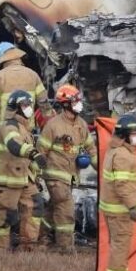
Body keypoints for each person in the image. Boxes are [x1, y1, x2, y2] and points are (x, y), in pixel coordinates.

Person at [37, 84, 98, 252]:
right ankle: (65, 247)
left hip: (71, 176)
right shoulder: (53, 125)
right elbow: (40, 151)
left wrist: (102, 169)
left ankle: (41, 236)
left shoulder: (81, 125)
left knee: (53, 208)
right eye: (76, 101)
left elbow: (91, 150)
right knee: (66, 209)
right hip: (55, 176)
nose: (79, 103)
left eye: (79, 100)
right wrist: (35, 175)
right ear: (66, 104)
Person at [0, 90, 47, 252]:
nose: (29, 108)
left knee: (36, 206)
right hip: (7, 180)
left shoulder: (24, 128)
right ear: (16, 108)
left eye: (30, 105)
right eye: (25, 105)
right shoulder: (9, 126)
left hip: (23, 178)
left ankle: (28, 247)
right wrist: (34, 153)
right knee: (6, 216)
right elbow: (14, 146)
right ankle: (1, 252)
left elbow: (25, 160)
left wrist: (36, 173)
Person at [99, 113, 136, 271]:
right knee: (120, 247)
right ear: (125, 136)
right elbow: (121, 185)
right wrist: (132, 206)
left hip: (112, 209)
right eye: (135, 134)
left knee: (117, 246)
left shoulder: (115, 149)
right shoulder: (123, 155)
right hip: (120, 211)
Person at [0, 42, 53, 129]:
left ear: (1, 59)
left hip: (3, 129)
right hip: (27, 128)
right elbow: (43, 102)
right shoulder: (33, 75)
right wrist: (49, 120)